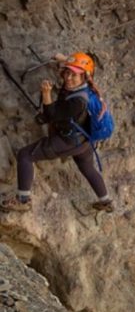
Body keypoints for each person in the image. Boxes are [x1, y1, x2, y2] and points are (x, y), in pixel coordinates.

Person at [0, 53, 113, 213]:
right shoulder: (86, 89)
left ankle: (23, 200)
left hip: (67, 142)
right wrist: (62, 58)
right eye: (67, 72)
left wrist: (46, 93)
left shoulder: (78, 101)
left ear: (84, 77)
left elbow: (51, 115)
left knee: (25, 155)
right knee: (87, 167)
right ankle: (106, 200)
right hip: (84, 140)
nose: (68, 77)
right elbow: (77, 63)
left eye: (74, 74)